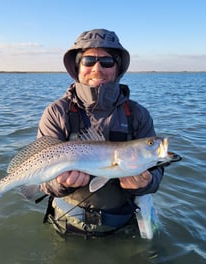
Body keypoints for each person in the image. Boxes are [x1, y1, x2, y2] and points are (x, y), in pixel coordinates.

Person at [37, 28, 163, 237]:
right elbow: (42, 180)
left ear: (118, 67)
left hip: (124, 223)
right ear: (77, 65)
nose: (97, 68)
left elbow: (158, 170)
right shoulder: (56, 112)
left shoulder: (138, 114)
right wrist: (60, 184)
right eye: (88, 61)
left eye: (107, 62)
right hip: (69, 223)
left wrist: (147, 183)